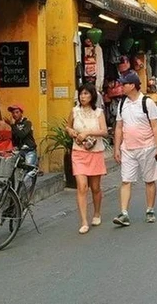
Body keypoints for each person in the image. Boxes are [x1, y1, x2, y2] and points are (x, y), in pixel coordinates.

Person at [112, 72, 157, 226]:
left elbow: (155, 127)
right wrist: (117, 148)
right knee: (126, 180)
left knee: (149, 180)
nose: (121, 87)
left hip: (147, 148)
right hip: (128, 149)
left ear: (132, 86)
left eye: (124, 84)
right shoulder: (122, 104)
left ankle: (150, 210)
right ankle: (124, 213)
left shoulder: (147, 103)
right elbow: (119, 128)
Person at [66, 83, 108, 234]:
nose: (83, 97)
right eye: (81, 94)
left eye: (86, 94)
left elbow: (104, 131)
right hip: (79, 152)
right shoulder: (74, 111)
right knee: (82, 186)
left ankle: (96, 213)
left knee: (95, 187)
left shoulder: (99, 113)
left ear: (92, 96)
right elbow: (68, 126)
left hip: (95, 152)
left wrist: (88, 132)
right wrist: (71, 132)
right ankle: (84, 221)